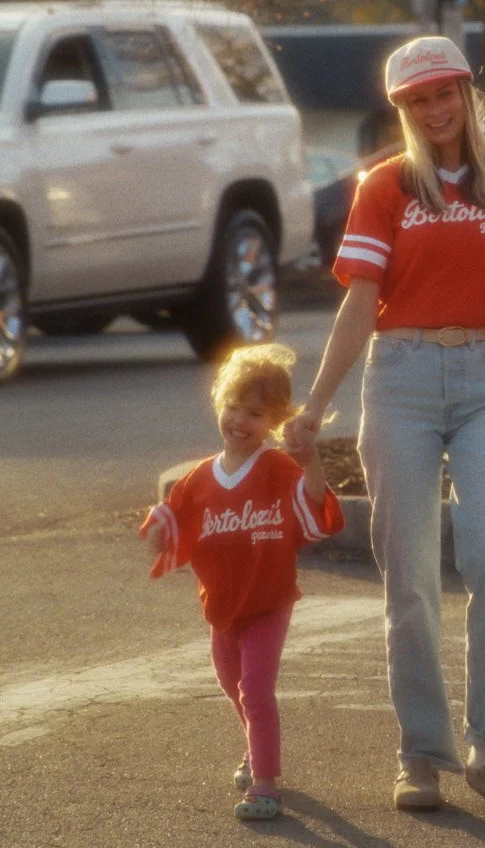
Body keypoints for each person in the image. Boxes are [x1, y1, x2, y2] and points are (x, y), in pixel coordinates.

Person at [286, 35, 485, 812]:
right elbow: (359, 303)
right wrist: (314, 405)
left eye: (444, 92)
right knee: (410, 576)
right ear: (405, 111)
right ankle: (420, 753)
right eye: (418, 100)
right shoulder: (384, 187)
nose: (435, 108)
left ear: (466, 94)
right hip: (402, 379)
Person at [140, 343, 344, 822]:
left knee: (255, 689)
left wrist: (310, 458)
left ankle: (265, 782)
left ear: (273, 422)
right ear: (219, 404)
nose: (240, 420)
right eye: (233, 406)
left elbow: (313, 501)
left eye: (255, 413)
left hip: (268, 602)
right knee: (232, 686)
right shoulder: (199, 477)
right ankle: (256, 750)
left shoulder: (276, 468)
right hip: (222, 605)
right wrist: (159, 532)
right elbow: (176, 521)